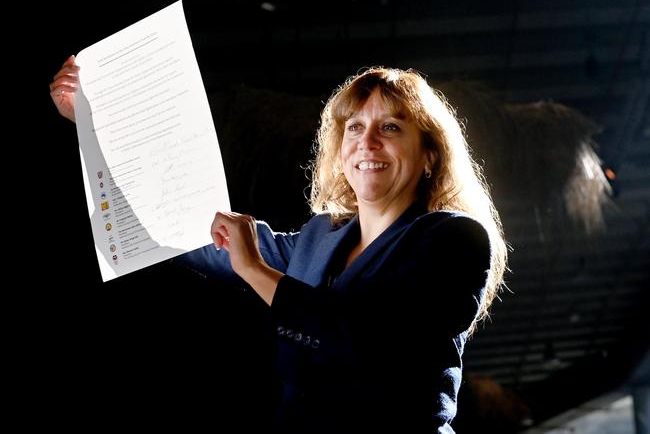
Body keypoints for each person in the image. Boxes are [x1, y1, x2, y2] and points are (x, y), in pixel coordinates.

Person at [51, 58, 507, 433]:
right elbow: (184, 232)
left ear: (429, 156)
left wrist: (256, 271)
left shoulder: (456, 239)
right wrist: (93, 128)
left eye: (390, 127)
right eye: (354, 127)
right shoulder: (318, 237)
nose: (367, 140)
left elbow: (369, 343)